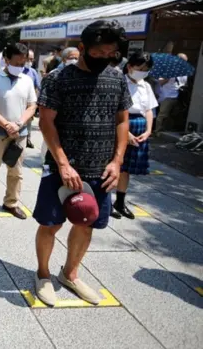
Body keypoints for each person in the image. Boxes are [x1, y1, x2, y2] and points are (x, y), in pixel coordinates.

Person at [33, 20, 131, 306]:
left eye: (109, 54)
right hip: (62, 168)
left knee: (86, 225)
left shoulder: (116, 78)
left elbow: (122, 120)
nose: (104, 59)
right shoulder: (58, 79)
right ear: (82, 48)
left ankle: (71, 273)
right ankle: (43, 274)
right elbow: (46, 123)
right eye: (97, 53)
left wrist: (117, 161)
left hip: (101, 169)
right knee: (50, 224)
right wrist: (63, 163)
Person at [0, 43, 37, 220]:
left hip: (19, 133)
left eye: (24, 63)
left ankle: (11, 202)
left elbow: (32, 106)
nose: (21, 66)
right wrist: (7, 125)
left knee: (16, 171)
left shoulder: (27, 80)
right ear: (6, 59)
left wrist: (19, 124)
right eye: (17, 62)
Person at [111, 52, 157, 220]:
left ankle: (120, 202)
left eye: (146, 69)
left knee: (127, 169)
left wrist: (148, 130)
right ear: (130, 66)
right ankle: (106, 202)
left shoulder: (146, 85)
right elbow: (114, 111)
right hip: (121, 124)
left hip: (140, 127)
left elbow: (149, 110)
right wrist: (125, 133)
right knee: (115, 164)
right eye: (140, 68)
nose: (143, 72)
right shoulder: (119, 82)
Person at [156, 53, 188, 132]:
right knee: (167, 115)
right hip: (173, 96)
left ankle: (159, 131)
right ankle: (161, 131)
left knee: (164, 115)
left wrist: (158, 80)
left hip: (171, 96)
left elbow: (162, 82)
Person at [23, 49, 42, 149]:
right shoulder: (18, 69)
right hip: (19, 102)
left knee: (29, 122)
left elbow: (38, 86)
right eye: (28, 59)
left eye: (32, 59)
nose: (30, 61)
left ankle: (27, 139)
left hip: (30, 102)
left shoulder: (33, 71)